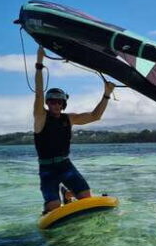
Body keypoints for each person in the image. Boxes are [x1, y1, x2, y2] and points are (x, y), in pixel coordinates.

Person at [33, 46, 116, 214]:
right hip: (47, 169)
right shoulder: (40, 117)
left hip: (65, 165)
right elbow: (39, 93)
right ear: (48, 103)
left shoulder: (68, 119)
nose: (55, 104)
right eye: (52, 101)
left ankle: (68, 194)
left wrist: (106, 94)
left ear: (63, 104)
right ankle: (57, 201)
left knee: (86, 197)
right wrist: (40, 63)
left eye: (59, 102)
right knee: (54, 208)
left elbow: (95, 116)